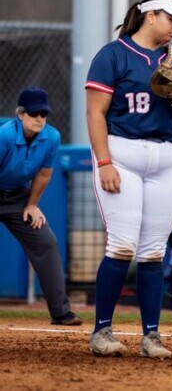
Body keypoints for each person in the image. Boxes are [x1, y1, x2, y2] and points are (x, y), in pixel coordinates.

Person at [84, 0, 172, 358]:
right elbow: (95, 113)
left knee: (153, 252)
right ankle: (102, 331)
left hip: (165, 158)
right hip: (122, 154)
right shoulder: (113, 55)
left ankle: (151, 335)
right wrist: (104, 162)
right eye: (171, 18)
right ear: (149, 15)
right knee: (122, 245)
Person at [0, 88, 82, 327]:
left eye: (43, 114)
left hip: (17, 198)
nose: (39, 119)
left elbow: (44, 174)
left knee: (45, 242)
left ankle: (61, 312)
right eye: (34, 113)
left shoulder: (52, 137)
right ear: (21, 114)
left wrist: (32, 204)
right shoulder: (4, 136)